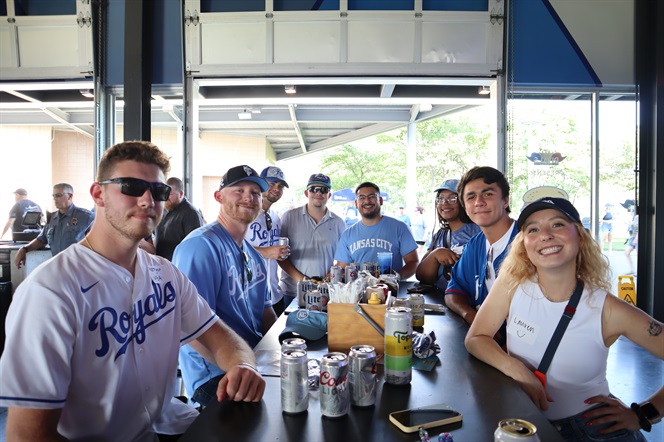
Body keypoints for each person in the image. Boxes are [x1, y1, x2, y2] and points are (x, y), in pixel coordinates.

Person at [0, 141, 265, 440]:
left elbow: (219, 336)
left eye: (159, 191)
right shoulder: (50, 291)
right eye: (131, 186)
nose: (146, 200)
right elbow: (27, 435)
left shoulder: (165, 274)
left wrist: (242, 365)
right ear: (98, 194)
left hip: (167, 424)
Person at [465, 197, 663, 441]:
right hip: (523, 422)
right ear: (524, 243)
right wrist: (516, 368)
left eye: (557, 225)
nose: (545, 235)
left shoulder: (607, 309)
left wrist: (646, 413)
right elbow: (476, 337)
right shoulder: (512, 284)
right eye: (533, 229)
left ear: (580, 236)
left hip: (590, 430)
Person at [174, 165, 278, 408]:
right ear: (219, 197)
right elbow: (189, 325)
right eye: (238, 190)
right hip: (216, 375)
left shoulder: (255, 255)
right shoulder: (200, 246)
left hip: (254, 362)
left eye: (255, 192)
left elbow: (267, 315)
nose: (248, 197)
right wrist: (241, 367)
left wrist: (284, 353)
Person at [444, 166, 518, 327]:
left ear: (505, 201)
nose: (479, 202)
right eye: (471, 197)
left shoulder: (528, 241)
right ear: (465, 206)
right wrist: (471, 316)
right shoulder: (475, 244)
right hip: (485, 338)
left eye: (488, 194)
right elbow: (453, 292)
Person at [278, 173, 346, 307]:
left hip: (324, 294)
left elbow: (343, 259)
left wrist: (326, 280)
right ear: (306, 192)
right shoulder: (289, 217)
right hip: (292, 292)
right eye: (314, 189)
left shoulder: (339, 223)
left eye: (324, 189)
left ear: (329, 195)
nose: (319, 192)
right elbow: (280, 255)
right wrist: (301, 280)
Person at [334, 182, 419, 280]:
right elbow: (342, 268)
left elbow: (414, 262)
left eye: (372, 196)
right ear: (356, 204)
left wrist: (397, 277)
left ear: (381, 200)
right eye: (361, 197)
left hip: (391, 292)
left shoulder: (399, 227)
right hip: (359, 292)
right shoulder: (347, 235)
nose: (367, 201)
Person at [416, 179, 481, 291]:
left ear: (463, 201)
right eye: (440, 198)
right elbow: (423, 276)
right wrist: (435, 255)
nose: (445, 203)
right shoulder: (439, 235)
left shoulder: (479, 230)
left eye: (452, 198)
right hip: (442, 300)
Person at [14, 183, 94, 268]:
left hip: (80, 266)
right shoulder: (52, 219)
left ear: (70, 196)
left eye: (58, 195)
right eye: (54, 196)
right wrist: (24, 249)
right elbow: (41, 240)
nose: (55, 199)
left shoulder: (86, 217)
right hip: (58, 267)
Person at [245, 166, 291, 315]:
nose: (276, 189)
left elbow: (275, 255)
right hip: (250, 296)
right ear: (260, 184)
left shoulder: (276, 217)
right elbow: (231, 249)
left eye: (281, 186)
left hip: (275, 295)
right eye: (271, 184)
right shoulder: (245, 215)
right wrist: (267, 252)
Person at [154, 177, 205, 261]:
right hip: (159, 265)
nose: (166, 198)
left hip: (178, 267)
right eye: (164, 193)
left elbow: (195, 247)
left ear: (181, 194)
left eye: (169, 194)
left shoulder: (191, 214)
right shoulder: (162, 210)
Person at [622, 200, 638, 276]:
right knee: (627, 252)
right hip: (633, 237)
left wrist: (636, 239)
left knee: (639, 253)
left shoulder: (637, 216)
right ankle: (632, 269)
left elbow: (639, 228)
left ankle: (638, 270)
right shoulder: (633, 216)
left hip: (636, 237)